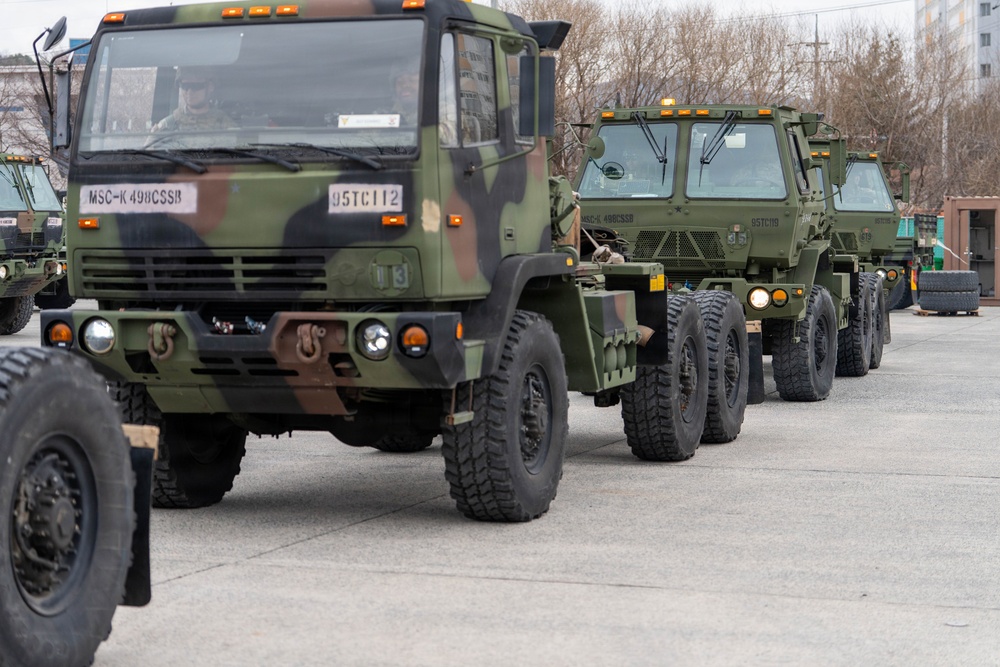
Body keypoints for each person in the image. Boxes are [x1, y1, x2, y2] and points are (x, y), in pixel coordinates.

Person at [150, 68, 233, 134]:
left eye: (196, 86)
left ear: (210, 87)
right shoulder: (168, 125)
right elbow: (149, 153)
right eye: (185, 86)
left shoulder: (226, 125)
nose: (189, 92)